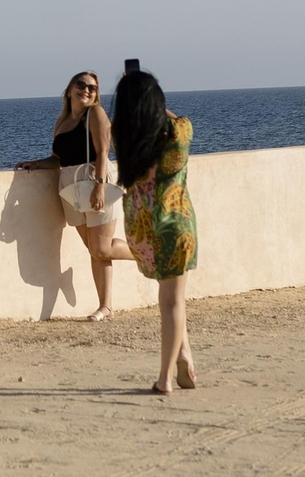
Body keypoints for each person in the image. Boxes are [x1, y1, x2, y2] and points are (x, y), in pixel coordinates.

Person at [111, 67, 198, 394]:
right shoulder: (176, 136)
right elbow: (180, 120)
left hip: (141, 231)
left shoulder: (124, 138)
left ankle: (184, 356)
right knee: (173, 302)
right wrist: (155, 102)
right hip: (174, 227)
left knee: (169, 297)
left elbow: (129, 120)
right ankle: (165, 378)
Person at [16, 71, 123, 321]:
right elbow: (59, 159)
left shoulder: (95, 114)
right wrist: (38, 163)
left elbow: (102, 151)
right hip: (71, 187)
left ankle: (145, 255)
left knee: (101, 248)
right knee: (96, 250)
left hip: (96, 180)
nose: (86, 90)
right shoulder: (62, 121)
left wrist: (99, 186)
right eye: (81, 84)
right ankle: (106, 307)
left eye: (93, 88)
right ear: (69, 89)